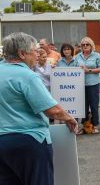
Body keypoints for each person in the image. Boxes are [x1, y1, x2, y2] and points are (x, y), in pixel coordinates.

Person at [0, 32, 79, 185]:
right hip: (29, 141)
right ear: (22, 54)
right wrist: (69, 118)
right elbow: (52, 110)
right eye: (34, 50)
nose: (38, 54)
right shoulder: (27, 75)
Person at [74, 36, 100, 135]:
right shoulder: (77, 57)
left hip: (93, 84)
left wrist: (88, 70)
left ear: (91, 46)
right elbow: (73, 69)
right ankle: (84, 126)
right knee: (83, 106)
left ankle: (95, 125)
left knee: (94, 106)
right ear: (81, 47)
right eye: (83, 45)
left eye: (87, 44)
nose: (85, 46)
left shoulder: (97, 55)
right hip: (81, 85)